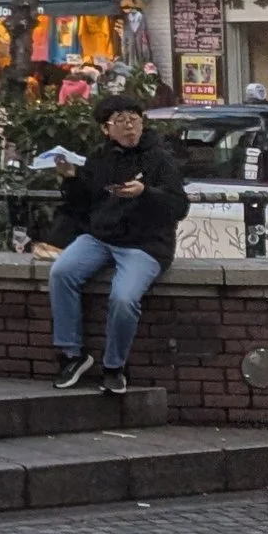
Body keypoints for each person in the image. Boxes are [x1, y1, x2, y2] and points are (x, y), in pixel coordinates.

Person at [45, 98, 188, 395]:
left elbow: (178, 205)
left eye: (134, 119)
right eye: (120, 120)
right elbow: (84, 204)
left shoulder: (161, 159)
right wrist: (72, 179)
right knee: (62, 272)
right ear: (105, 129)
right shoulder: (101, 158)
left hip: (145, 245)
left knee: (123, 298)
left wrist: (145, 192)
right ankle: (73, 355)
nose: (129, 126)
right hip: (100, 238)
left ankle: (114, 366)